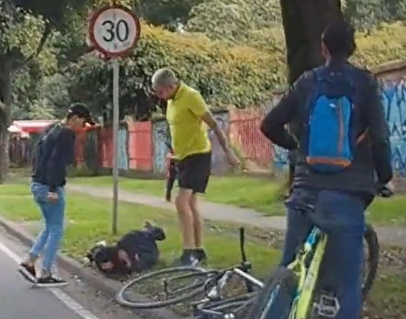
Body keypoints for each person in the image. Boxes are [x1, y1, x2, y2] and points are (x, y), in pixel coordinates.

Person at [260, 19, 393, 319]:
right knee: (347, 285)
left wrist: (298, 149)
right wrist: (384, 177)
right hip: (348, 193)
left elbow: (268, 125)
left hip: (305, 190)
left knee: (288, 271)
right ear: (352, 48)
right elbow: (381, 138)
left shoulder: (307, 81)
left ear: (323, 48)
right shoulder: (365, 83)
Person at [151, 68, 240, 266]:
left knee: (181, 202)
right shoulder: (172, 102)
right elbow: (179, 129)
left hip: (198, 155)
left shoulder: (191, 96)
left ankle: (189, 252)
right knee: (190, 204)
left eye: (160, 91)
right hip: (183, 156)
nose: (159, 96)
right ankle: (198, 250)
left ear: (171, 86)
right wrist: (173, 154)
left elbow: (214, 125)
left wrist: (228, 151)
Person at [19, 103, 96, 287]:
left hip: (37, 183)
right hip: (50, 187)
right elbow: (57, 162)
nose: (83, 127)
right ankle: (45, 272)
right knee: (56, 229)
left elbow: (37, 155)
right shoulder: (66, 134)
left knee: (49, 226)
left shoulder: (51, 129)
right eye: (83, 122)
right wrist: (53, 188)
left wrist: (39, 179)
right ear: (75, 118)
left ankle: (30, 261)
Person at [87, 221, 166, 277]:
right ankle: (150, 231)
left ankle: (150, 231)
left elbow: (117, 249)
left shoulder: (128, 241)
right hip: (138, 251)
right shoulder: (111, 263)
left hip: (135, 245)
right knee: (148, 256)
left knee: (143, 238)